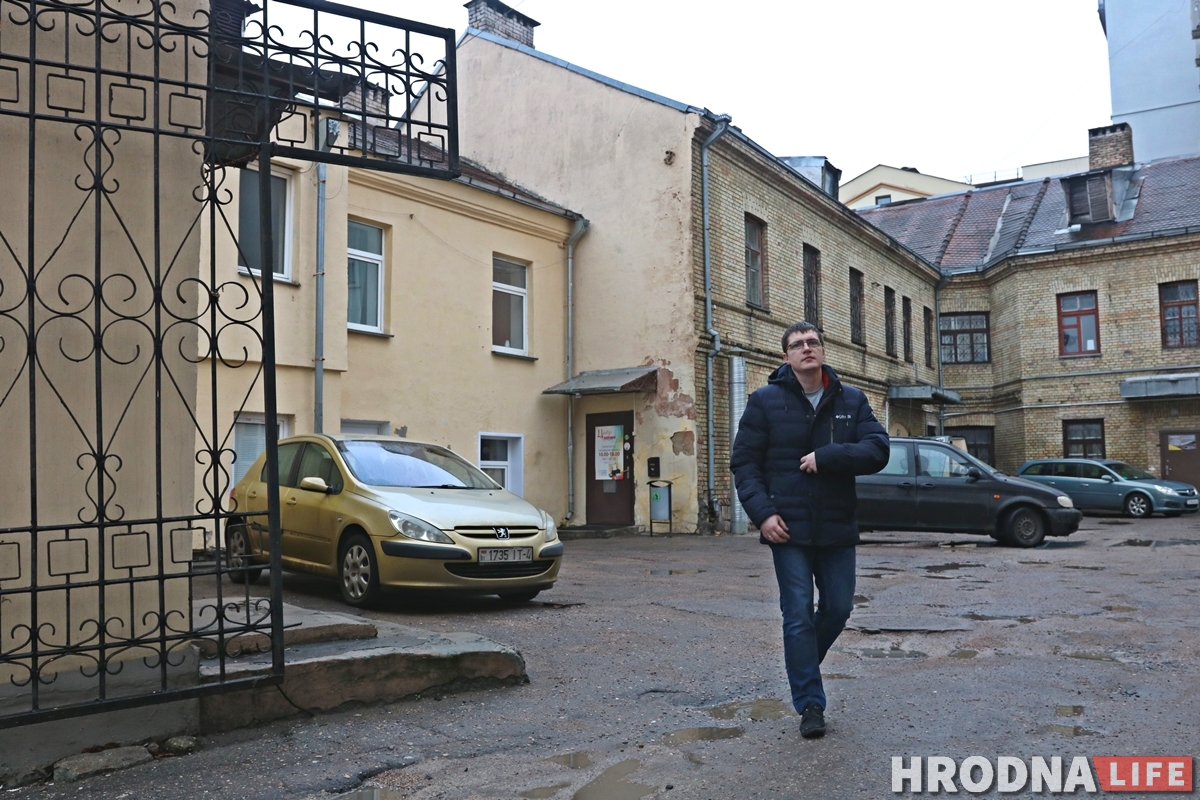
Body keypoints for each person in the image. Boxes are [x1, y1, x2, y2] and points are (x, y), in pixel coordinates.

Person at [730, 320, 889, 738]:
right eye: (797, 344)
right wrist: (763, 514)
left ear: (822, 350)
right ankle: (811, 704)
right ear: (786, 356)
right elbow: (744, 464)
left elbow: (878, 450)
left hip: (837, 527)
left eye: (813, 342)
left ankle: (800, 667)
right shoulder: (764, 401)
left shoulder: (851, 400)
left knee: (838, 608)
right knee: (797, 614)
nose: (806, 348)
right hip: (788, 529)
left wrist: (829, 455)